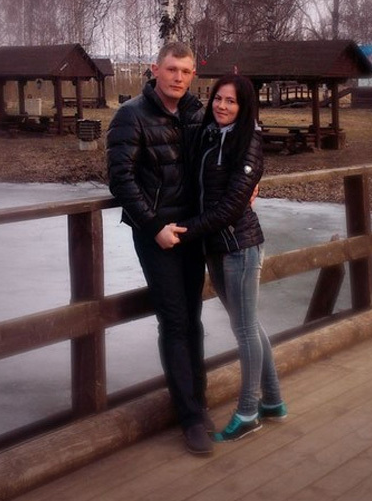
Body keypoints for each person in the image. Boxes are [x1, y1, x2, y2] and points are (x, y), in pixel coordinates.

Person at [159, 73, 287, 442]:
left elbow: (231, 207)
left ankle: (248, 411)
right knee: (248, 324)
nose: (222, 106)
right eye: (218, 98)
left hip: (239, 247)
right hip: (216, 247)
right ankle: (273, 400)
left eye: (231, 101)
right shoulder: (211, 133)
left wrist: (185, 230)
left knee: (244, 329)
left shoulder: (248, 143)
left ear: (244, 107)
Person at [106, 42, 214, 456]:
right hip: (157, 235)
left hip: (192, 230)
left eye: (186, 71)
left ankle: (199, 402)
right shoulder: (131, 115)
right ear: (155, 69)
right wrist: (153, 227)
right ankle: (190, 418)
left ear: (192, 75)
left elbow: (227, 151)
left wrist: (251, 178)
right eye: (172, 69)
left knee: (194, 319)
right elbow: (120, 179)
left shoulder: (196, 113)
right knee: (174, 321)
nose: (178, 78)